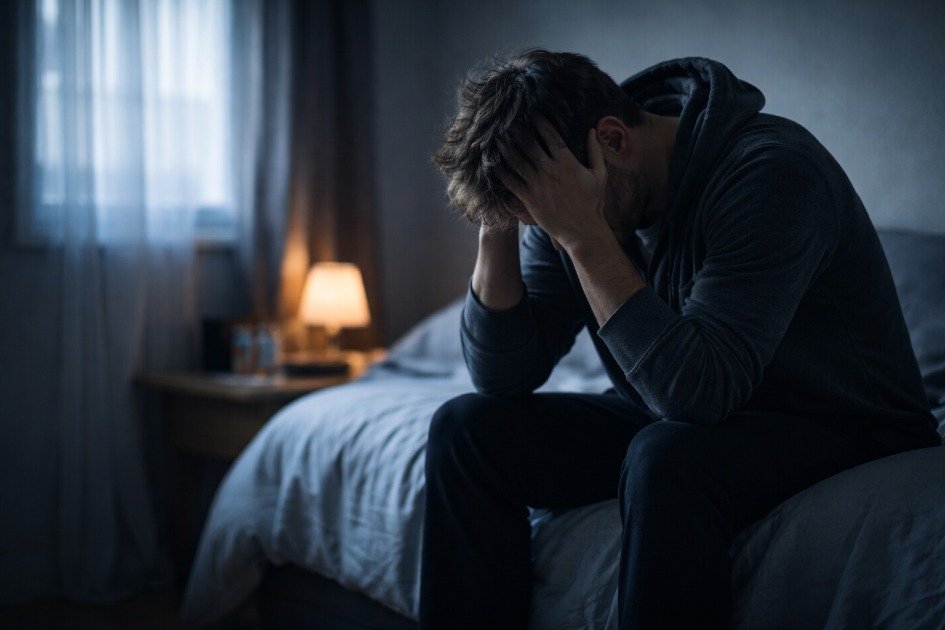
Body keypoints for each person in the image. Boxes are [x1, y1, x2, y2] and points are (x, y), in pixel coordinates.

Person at [419, 49, 941, 629]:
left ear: (612, 140)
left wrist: (586, 237)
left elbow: (697, 395)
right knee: (466, 429)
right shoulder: (566, 192)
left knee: (667, 453)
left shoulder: (772, 171)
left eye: (538, 211)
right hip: (680, 407)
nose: (544, 228)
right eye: (530, 213)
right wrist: (497, 219)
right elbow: (504, 374)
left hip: (841, 423)